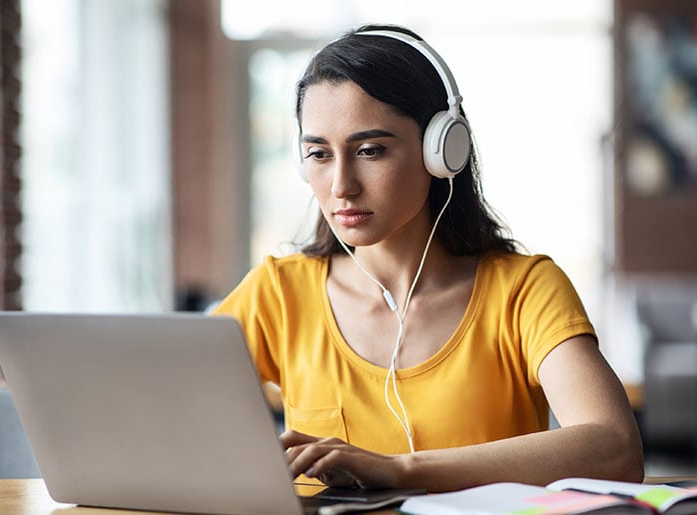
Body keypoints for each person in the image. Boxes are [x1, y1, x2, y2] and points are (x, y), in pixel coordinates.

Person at [212, 23, 643, 493]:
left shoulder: (523, 290)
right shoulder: (276, 294)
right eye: (318, 153)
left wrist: (402, 470)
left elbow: (615, 448)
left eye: (370, 150)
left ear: (442, 150)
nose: (340, 186)